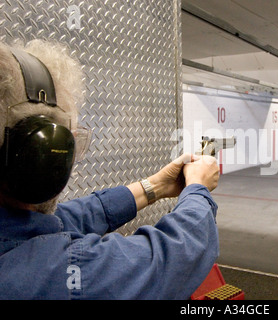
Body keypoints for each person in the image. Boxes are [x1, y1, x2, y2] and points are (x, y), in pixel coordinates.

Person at [0, 40, 220, 299]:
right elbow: (175, 257)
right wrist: (197, 188)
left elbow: (67, 218)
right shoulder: (57, 275)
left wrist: (155, 186)